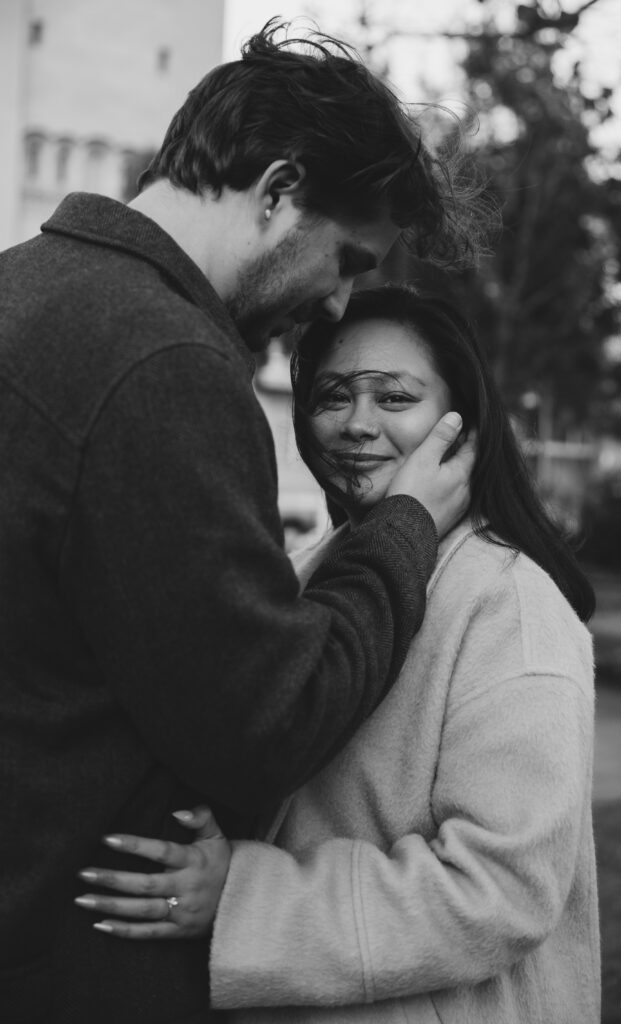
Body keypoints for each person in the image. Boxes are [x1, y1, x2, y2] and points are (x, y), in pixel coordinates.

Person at [0, 22, 483, 1024]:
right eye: (348, 255)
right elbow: (270, 721)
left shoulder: (18, 289)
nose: (342, 297)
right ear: (276, 188)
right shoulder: (162, 364)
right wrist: (399, 526)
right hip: (75, 966)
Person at [78, 286, 600, 1024]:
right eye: (332, 396)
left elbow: (502, 890)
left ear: (463, 424)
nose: (358, 424)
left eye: (394, 397)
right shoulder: (296, 576)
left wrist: (239, 898)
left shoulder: (509, 607)